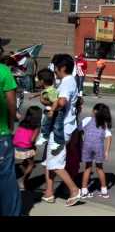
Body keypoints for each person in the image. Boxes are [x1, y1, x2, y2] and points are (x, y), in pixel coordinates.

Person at [41, 54, 81, 207]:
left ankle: (74, 190)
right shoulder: (69, 81)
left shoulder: (66, 82)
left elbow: (62, 102)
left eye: (55, 68)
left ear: (62, 68)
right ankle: (49, 192)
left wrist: (49, 104)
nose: (54, 71)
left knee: (55, 163)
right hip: (63, 127)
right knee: (49, 161)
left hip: (61, 129)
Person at [0, 61, 22, 216]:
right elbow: (11, 103)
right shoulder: (4, 71)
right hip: (1, 133)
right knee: (6, 176)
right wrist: (11, 122)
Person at [80, 103, 113, 199]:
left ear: (95, 111)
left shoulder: (87, 120)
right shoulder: (104, 124)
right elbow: (109, 137)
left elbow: (79, 129)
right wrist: (106, 151)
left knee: (87, 167)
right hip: (99, 147)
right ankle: (104, 190)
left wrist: (83, 139)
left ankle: (84, 190)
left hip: (87, 146)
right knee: (99, 168)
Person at [29, 68, 64, 151]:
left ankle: (56, 141)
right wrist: (35, 95)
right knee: (45, 124)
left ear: (42, 81)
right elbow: (42, 92)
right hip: (50, 110)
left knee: (56, 127)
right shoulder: (48, 89)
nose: (37, 81)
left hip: (54, 112)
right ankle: (45, 136)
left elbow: (55, 101)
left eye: (38, 80)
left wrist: (52, 111)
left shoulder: (51, 91)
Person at [13, 106, 42, 190]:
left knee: (27, 159)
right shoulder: (37, 126)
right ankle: (22, 180)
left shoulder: (22, 122)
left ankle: (22, 167)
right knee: (31, 164)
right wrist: (33, 146)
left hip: (16, 146)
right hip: (25, 147)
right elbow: (32, 140)